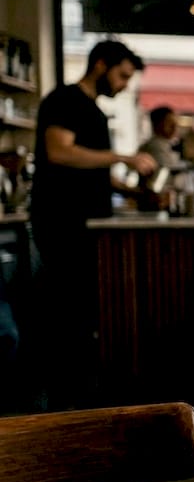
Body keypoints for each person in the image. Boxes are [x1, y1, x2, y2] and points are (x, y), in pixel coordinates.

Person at [24, 38, 156, 409]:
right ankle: (65, 401)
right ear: (100, 64)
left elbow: (91, 169)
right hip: (62, 221)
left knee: (82, 309)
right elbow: (59, 151)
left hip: (85, 222)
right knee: (68, 309)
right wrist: (123, 158)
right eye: (122, 75)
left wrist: (131, 190)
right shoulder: (65, 100)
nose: (124, 85)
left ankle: (80, 392)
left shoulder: (93, 110)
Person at [140, 105, 183, 170]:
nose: (174, 127)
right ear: (157, 124)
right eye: (169, 123)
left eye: (175, 123)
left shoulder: (167, 143)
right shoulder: (155, 145)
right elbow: (169, 169)